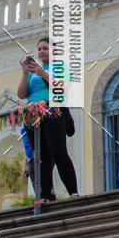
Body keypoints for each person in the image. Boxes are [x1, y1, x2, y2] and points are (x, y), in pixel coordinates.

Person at [18, 36, 79, 202]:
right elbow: (22, 94)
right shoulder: (32, 73)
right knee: (41, 156)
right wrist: (25, 73)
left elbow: (63, 88)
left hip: (52, 112)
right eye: (39, 49)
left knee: (58, 152)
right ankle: (45, 195)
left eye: (45, 48)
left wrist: (43, 73)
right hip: (32, 115)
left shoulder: (60, 67)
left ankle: (73, 191)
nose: (41, 51)